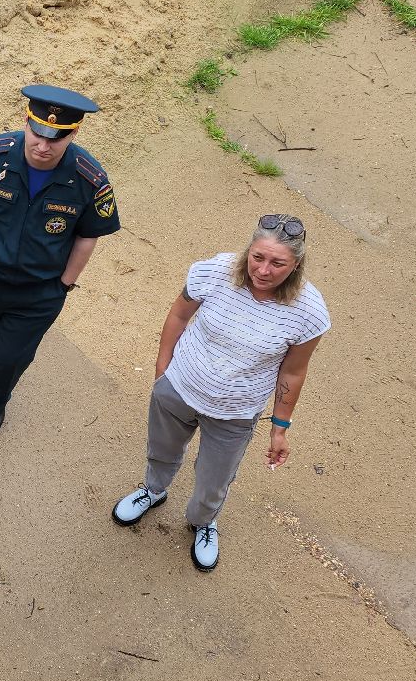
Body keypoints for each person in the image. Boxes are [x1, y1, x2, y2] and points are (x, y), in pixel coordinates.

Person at [111, 215, 330, 572]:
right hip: (179, 388)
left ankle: (202, 521)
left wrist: (279, 427)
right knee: (162, 450)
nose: (263, 270)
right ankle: (152, 491)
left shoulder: (309, 312)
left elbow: (293, 370)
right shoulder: (215, 271)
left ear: (296, 265)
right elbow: (179, 316)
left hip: (236, 411)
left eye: (278, 263)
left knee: (215, 477)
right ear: (249, 250)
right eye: (258, 257)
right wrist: (162, 373)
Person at [0, 84, 121, 440]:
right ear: (27, 123)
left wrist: (63, 284)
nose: (43, 146)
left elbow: (88, 234)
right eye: (37, 133)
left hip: (38, 291)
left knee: (13, 356)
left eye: (55, 139)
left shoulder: (89, 178)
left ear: (73, 133)